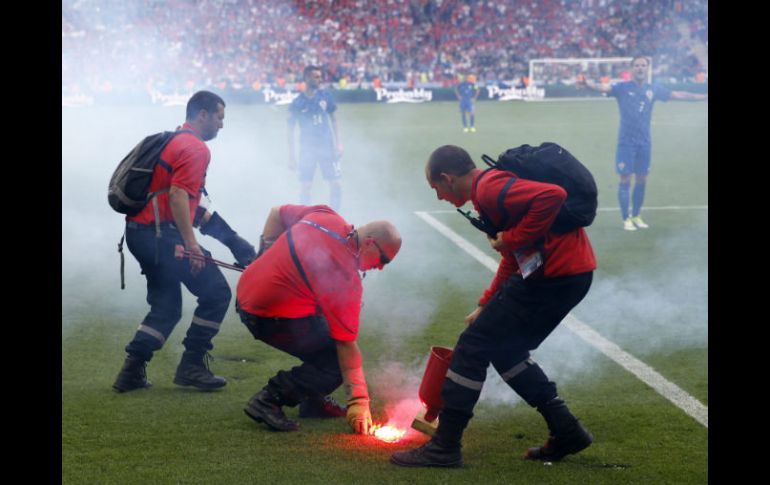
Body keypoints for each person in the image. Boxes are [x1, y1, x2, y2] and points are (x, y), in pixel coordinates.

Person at [390, 145, 596, 468]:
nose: (439, 198)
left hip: (554, 276)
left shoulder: (489, 188)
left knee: (472, 347)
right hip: (568, 276)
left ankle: (444, 446)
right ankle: (567, 430)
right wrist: (485, 304)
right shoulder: (487, 193)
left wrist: (512, 237)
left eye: (436, 189)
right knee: (505, 350)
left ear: (447, 178)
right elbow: (513, 261)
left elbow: (552, 196)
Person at [113, 91, 257, 393]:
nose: (221, 125)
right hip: (161, 236)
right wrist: (192, 246)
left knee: (166, 306)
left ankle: (131, 372)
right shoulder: (195, 148)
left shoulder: (174, 139)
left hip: (141, 234)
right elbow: (179, 198)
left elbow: (190, 206)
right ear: (202, 115)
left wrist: (232, 240)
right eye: (219, 117)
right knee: (216, 293)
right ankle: (191, 365)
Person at [235, 204, 401, 434]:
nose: (381, 267)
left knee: (324, 338)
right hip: (265, 317)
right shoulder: (346, 280)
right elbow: (346, 345)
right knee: (334, 361)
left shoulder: (325, 215)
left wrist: (264, 254)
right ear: (370, 243)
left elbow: (276, 212)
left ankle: (312, 400)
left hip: (246, 294)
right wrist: (359, 401)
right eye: (384, 259)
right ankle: (269, 399)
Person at [578, 56, 708, 231]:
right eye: (637, 65)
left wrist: (704, 97)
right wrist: (588, 85)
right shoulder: (622, 88)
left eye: (643, 66)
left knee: (642, 179)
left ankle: (637, 215)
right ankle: (626, 219)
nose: (640, 68)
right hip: (626, 142)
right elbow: (603, 87)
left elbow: (679, 94)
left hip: (644, 143)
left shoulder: (653, 89)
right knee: (625, 179)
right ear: (632, 69)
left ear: (648, 69)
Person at [287, 65, 344, 211]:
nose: (320, 79)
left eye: (320, 76)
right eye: (316, 77)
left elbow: (334, 119)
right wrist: (292, 157)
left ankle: (335, 215)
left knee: (336, 184)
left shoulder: (325, 96)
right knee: (305, 187)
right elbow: (290, 130)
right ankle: (306, 218)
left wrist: (339, 144)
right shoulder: (297, 102)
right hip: (307, 149)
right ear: (307, 78)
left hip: (327, 147)